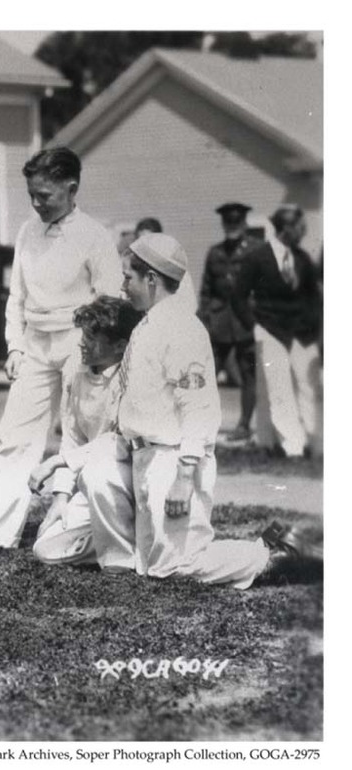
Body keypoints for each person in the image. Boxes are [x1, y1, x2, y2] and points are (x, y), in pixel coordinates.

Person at [73, 233, 320, 588]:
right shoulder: (148, 325)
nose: (123, 286)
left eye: (129, 277)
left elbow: (199, 411)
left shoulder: (182, 329)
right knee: (152, 567)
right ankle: (268, 547)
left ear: (152, 280)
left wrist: (184, 478)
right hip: (146, 458)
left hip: (174, 460)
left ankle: (271, 556)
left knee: (177, 568)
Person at [0, 147, 122, 550]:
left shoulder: (94, 236)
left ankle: (74, 523)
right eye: (32, 196)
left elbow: (109, 300)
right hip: (35, 345)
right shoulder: (27, 232)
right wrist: (14, 347)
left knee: (77, 433)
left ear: (71, 188)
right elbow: (16, 297)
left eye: (45, 195)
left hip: (79, 344)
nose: (37, 204)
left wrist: (95, 353)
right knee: (13, 436)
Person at [25, 296, 143, 568]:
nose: (82, 343)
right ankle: (134, 544)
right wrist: (60, 498)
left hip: (134, 479)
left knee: (97, 473)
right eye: (83, 334)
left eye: (92, 337)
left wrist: (56, 462)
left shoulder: (135, 376)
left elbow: (121, 442)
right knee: (46, 549)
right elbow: (73, 437)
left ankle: (119, 564)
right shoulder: (76, 371)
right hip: (98, 489)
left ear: (120, 346)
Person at [233, 205, 322, 458]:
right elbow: (238, 297)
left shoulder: (302, 259)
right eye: (299, 228)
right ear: (285, 228)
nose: (303, 233)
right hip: (270, 330)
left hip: (301, 332)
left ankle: (316, 443)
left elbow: (313, 296)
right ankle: (292, 446)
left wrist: (313, 327)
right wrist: (254, 326)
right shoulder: (257, 258)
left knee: (308, 386)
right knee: (279, 389)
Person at [198, 202, 260, 441]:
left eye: (236, 222)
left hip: (246, 321)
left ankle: (243, 425)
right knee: (207, 372)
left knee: (249, 374)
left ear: (244, 223)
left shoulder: (257, 249)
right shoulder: (215, 252)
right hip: (220, 321)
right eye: (228, 223)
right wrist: (205, 317)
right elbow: (206, 289)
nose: (232, 227)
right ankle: (202, 424)